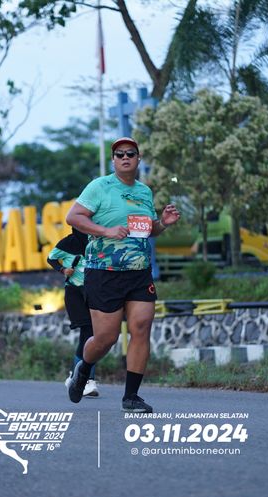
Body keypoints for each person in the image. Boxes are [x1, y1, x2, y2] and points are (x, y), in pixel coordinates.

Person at [65, 137, 180, 413]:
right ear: (114, 160)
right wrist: (105, 231)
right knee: (106, 338)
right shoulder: (99, 186)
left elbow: (146, 229)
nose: (125, 157)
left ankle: (131, 397)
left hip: (139, 272)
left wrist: (162, 223)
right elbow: (74, 217)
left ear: (138, 159)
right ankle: (84, 368)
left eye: (130, 153)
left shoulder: (144, 191)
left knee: (141, 327)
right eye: (119, 154)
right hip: (104, 272)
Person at [47, 228, 99, 398]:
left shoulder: (96, 242)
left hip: (93, 292)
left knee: (95, 335)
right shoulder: (67, 243)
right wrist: (63, 270)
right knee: (88, 332)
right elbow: (51, 258)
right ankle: (87, 379)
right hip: (74, 293)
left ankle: (75, 375)